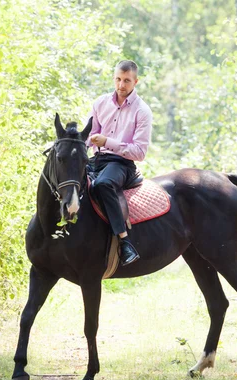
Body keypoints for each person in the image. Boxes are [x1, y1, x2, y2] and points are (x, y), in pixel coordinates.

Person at [88, 60, 152, 266]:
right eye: (118, 79)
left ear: (136, 81)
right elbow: (89, 136)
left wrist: (108, 142)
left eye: (126, 81)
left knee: (103, 184)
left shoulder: (142, 111)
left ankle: (125, 242)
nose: (121, 85)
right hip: (97, 158)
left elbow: (139, 152)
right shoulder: (100, 103)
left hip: (122, 163)